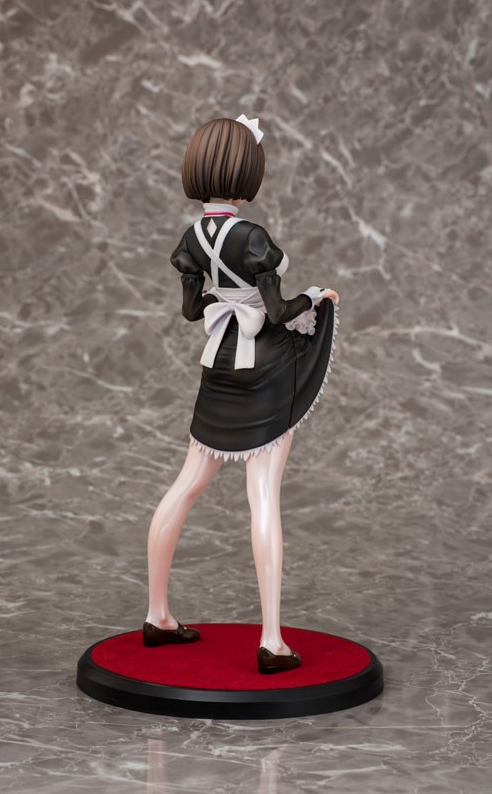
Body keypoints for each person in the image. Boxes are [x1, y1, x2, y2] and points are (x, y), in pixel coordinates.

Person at [143, 115, 340, 673]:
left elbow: (191, 310)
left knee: (186, 485)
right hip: (265, 370)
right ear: (247, 171)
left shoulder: (191, 239)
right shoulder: (251, 237)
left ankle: (157, 614)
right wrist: (314, 297)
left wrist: (225, 305)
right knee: (263, 496)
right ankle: (271, 641)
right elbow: (277, 313)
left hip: (219, 365)